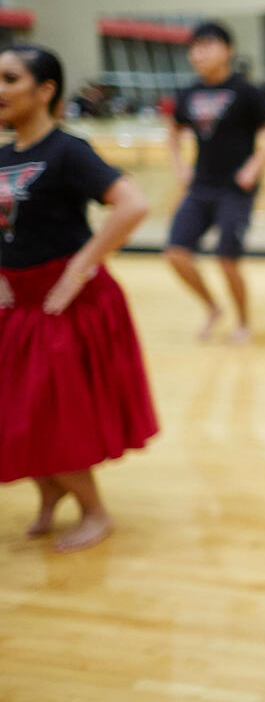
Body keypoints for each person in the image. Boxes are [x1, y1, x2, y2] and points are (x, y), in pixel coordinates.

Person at [0, 45, 157, 552]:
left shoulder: (69, 151)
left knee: (48, 411)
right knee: (13, 412)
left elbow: (132, 205)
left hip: (60, 306)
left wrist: (80, 267)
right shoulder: (3, 156)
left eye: (10, 79)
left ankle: (94, 511)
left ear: (45, 91)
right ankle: (51, 498)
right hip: (16, 302)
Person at [164, 21, 265, 344]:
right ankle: (211, 307)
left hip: (235, 189)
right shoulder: (189, 93)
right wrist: (180, 167)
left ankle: (244, 322)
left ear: (228, 51)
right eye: (194, 47)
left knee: (227, 259)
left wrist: (255, 164)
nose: (199, 53)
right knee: (176, 253)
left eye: (207, 46)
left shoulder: (246, 91)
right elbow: (172, 131)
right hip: (200, 187)